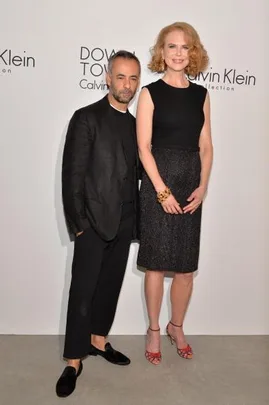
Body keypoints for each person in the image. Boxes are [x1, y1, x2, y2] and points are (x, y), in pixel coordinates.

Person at [56, 50, 141, 397]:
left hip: (124, 220)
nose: (127, 84)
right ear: (107, 78)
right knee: (83, 291)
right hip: (91, 221)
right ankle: (73, 359)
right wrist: (79, 224)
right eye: (120, 77)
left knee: (110, 286)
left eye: (133, 78)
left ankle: (98, 340)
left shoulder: (136, 123)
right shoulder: (86, 117)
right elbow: (72, 175)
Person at [136, 22, 213, 365]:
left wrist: (203, 186)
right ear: (161, 52)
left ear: (193, 52)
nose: (179, 53)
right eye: (172, 47)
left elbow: (207, 146)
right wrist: (162, 192)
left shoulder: (201, 94)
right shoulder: (150, 93)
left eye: (185, 47)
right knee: (155, 266)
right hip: (158, 187)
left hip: (190, 188)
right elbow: (143, 148)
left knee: (184, 268)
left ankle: (176, 326)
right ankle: (153, 329)